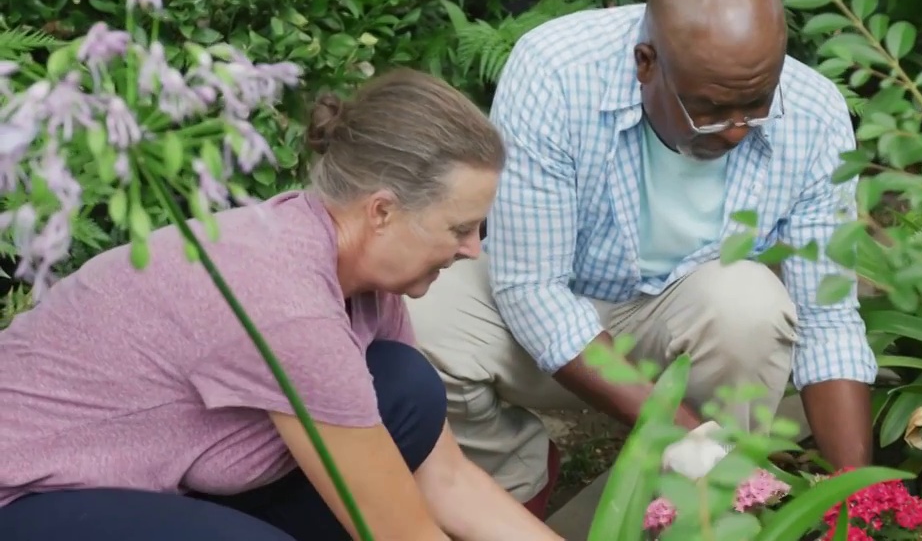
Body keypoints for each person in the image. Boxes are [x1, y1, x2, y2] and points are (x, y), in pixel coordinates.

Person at [405, 0, 879, 510]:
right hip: (545, 312)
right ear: (645, 63)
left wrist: (863, 499)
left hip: (689, 326)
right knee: (419, 323)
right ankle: (513, 490)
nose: (734, 131)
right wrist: (688, 435)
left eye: (756, 104)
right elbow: (532, 289)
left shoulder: (815, 115)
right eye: (709, 109)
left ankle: (687, 508)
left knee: (751, 304)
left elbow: (828, 318)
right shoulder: (556, 73)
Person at [0, 69, 563, 541]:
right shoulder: (288, 300)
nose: (473, 249)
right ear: (383, 211)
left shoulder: (364, 286)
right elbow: (401, 533)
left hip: (144, 476)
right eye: (460, 228)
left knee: (403, 386)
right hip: (25, 489)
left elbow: (445, 479)